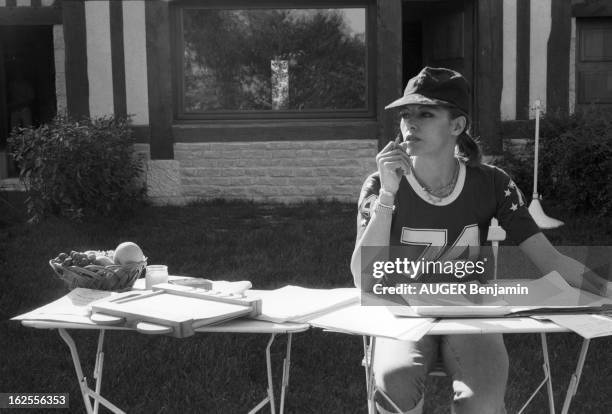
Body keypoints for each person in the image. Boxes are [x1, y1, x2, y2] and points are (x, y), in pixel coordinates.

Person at [350, 67, 612, 414]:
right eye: (405, 115)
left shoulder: (492, 183)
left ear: (457, 126)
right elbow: (364, 277)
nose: (409, 125)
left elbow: (549, 260)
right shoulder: (380, 183)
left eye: (425, 114)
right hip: (403, 311)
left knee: (484, 399)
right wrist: (388, 194)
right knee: (393, 380)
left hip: (471, 310)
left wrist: (606, 292)